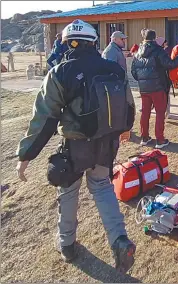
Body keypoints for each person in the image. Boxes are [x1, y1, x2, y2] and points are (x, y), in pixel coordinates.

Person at [15, 19, 136, 273]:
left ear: (67, 42)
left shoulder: (60, 72)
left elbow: (45, 118)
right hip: (106, 143)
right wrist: (125, 131)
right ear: (94, 42)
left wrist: (25, 155)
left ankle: (67, 245)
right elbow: (129, 105)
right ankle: (119, 240)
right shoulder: (113, 69)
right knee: (102, 188)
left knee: (68, 192)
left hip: (76, 146)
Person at [132, 33, 178, 144]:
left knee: (145, 113)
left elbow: (133, 72)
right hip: (158, 86)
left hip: (144, 88)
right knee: (160, 113)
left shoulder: (137, 53)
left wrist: (142, 80)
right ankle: (160, 139)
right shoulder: (159, 51)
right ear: (154, 38)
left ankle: (144, 137)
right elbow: (170, 64)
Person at [102, 30, 134, 143]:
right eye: (122, 39)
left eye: (124, 39)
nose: (124, 41)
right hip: (116, 87)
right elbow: (109, 70)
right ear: (115, 39)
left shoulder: (116, 50)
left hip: (120, 85)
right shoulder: (110, 51)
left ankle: (123, 128)